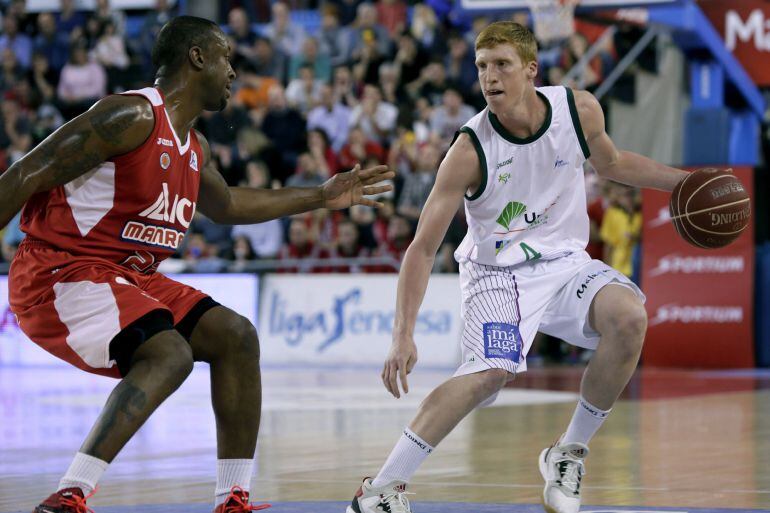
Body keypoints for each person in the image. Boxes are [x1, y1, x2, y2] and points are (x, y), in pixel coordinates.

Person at [0, 16, 393, 513]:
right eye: (226, 55)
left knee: (237, 337)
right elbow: (27, 171)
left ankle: (232, 498)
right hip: (60, 271)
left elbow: (228, 206)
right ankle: (70, 494)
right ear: (197, 57)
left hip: (131, 277)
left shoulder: (196, 147)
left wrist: (319, 195)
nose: (233, 71)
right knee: (169, 354)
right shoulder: (130, 116)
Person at [345, 21, 687, 513]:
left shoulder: (579, 109)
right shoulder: (468, 150)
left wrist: (683, 182)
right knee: (490, 373)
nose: (490, 77)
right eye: (482, 67)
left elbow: (611, 164)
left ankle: (567, 454)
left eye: (502, 65)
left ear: (531, 70)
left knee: (630, 318)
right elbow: (421, 247)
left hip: (565, 264)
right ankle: (379, 491)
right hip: (496, 274)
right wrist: (403, 333)